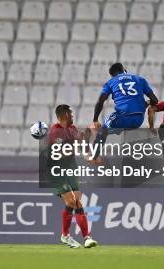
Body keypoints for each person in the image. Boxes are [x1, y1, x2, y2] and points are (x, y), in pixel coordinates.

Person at [46, 104, 98, 249]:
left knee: (77, 203)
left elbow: (81, 145)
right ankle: (66, 235)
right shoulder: (55, 132)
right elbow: (60, 153)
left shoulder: (73, 129)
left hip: (71, 170)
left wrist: (89, 156)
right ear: (63, 116)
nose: (73, 116)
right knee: (71, 200)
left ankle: (86, 237)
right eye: (70, 114)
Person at [90, 63, 159, 162]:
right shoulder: (140, 79)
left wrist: (95, 119)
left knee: (102, 131)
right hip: (138, 120)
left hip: (123, 118)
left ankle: (94, 157)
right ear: (124, 69)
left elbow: (101, 101)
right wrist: (144, 104)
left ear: (113, 75)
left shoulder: (111, 82)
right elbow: (155, 100)